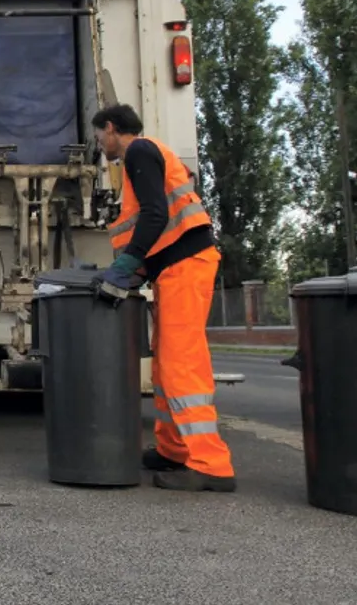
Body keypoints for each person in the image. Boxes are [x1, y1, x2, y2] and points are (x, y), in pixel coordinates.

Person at [90, 103, 236, 493]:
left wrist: (131, 261)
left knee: (182, 364)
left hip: (186, 265)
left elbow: (156, 215)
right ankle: (174, 450)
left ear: (110, 127)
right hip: (175, 268)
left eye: (98, 136)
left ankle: (211, 464)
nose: (99, 144)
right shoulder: (146, 155)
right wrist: (137, 269)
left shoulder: (138, 151)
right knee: (165, 364)